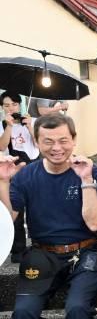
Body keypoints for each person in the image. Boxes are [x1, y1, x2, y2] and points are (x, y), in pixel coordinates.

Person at [0, 114, 97, 319]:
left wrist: (86, 179)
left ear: (73, 139)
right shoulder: (26, 175)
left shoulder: (90, 170)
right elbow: (9, 220)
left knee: (78, 309)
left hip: (85, 252)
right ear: (36, 141)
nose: (56, 148)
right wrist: (4, 182)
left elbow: (95, 224)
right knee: (23, 312)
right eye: (48, 141)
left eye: (63, 140)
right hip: (42, 254)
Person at [1, 92, 39, 262]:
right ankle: (18, 250)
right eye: (7, 105)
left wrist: (30, 126)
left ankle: (39, 244)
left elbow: (39, 144)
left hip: (32, 168)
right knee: (15, 208)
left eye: (15, 104)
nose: (11, 108)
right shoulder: (2, 125)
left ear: (20, 105)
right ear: (2, 107)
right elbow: (2, 147)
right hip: (12, 170)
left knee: (37, 208)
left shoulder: (32, 122)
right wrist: (8, 126)